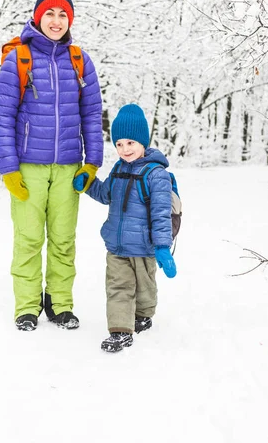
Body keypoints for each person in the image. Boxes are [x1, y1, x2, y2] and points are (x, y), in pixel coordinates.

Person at [0, 0, 103, 331]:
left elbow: (92, 114)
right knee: (28, 238)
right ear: (38, 17)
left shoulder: (79, 60)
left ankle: (60, 303)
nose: (56, 21)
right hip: (28, 166)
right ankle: (27, 306)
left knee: (63, 238)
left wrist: (92, 162)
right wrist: (8, 167)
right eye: (50, 14)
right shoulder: (19, 59)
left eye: (63, 15)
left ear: (70, 20)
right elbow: (2, 115)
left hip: (69, 166)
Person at [73, 104, 176, 352]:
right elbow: (106, 194)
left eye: (130, 143)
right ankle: (120, 330)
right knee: (118, 287)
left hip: (144, 247)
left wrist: (162, 246)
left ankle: (143, 315)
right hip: (117, 247)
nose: (125, 149)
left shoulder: (156, 174)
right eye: (119, 144)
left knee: (145, 289)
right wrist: (88, 184)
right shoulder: (119, 169)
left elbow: (161, 213)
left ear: (143, 142)